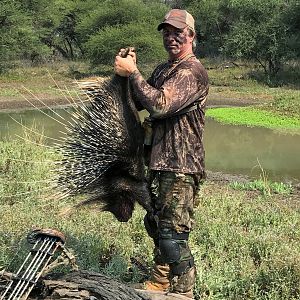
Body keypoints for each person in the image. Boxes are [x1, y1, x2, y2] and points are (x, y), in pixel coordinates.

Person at [114, 9, 209, 299]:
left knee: (173, 237)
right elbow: (140, 102)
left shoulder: (191, 72)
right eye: (166, 32)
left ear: (191, 35)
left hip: (180, 166)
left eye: (177, 32)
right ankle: (159, 282)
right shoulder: (164, 70)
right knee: (157, 226)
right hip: (157, 163)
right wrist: (125, 76)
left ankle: (183, 293)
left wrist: (135, 74)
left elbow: (160, 105)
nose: (171, 37)